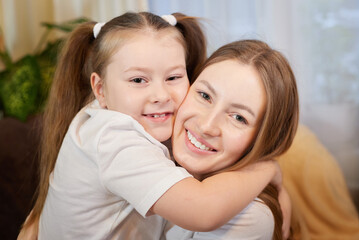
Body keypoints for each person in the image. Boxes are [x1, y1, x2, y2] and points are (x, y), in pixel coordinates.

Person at [18, 12, 286, 240]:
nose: (160, 95)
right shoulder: (114, 137)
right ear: (100, 89)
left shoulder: (111, 115)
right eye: (138, 80)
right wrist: (267, 168)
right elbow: (202, 211)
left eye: (173, 77)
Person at [164, 39, 298, 239]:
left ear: (262, 141)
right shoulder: (142, 144)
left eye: (239, 118)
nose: (207, 126)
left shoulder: (250, 217)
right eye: (205, 95)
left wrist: (266, 167)